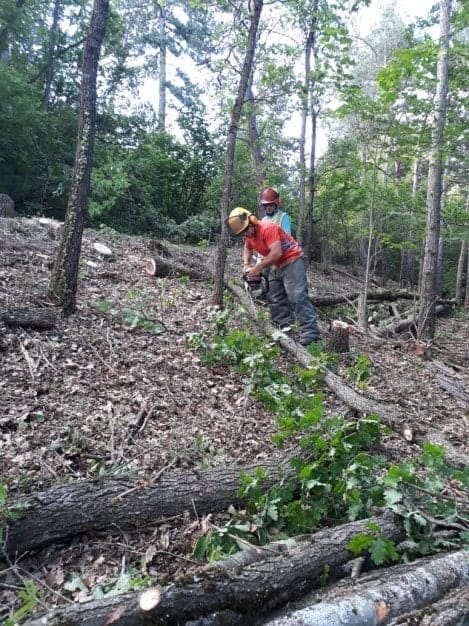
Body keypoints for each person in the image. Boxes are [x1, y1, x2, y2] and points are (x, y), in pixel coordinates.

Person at [228, 207, 321, 346]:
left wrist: (258, 267)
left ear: (252, 221)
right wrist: (246, 264)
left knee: (297, 295)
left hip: (293, 259)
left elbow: (277, 252)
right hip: (276, 265)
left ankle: (311, 333)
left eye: (246, 230)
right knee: (275, 297)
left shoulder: (267, 228)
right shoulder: (249, 236)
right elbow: (248, 247)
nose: (246, 234)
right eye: (243, 232)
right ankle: (283, 330)